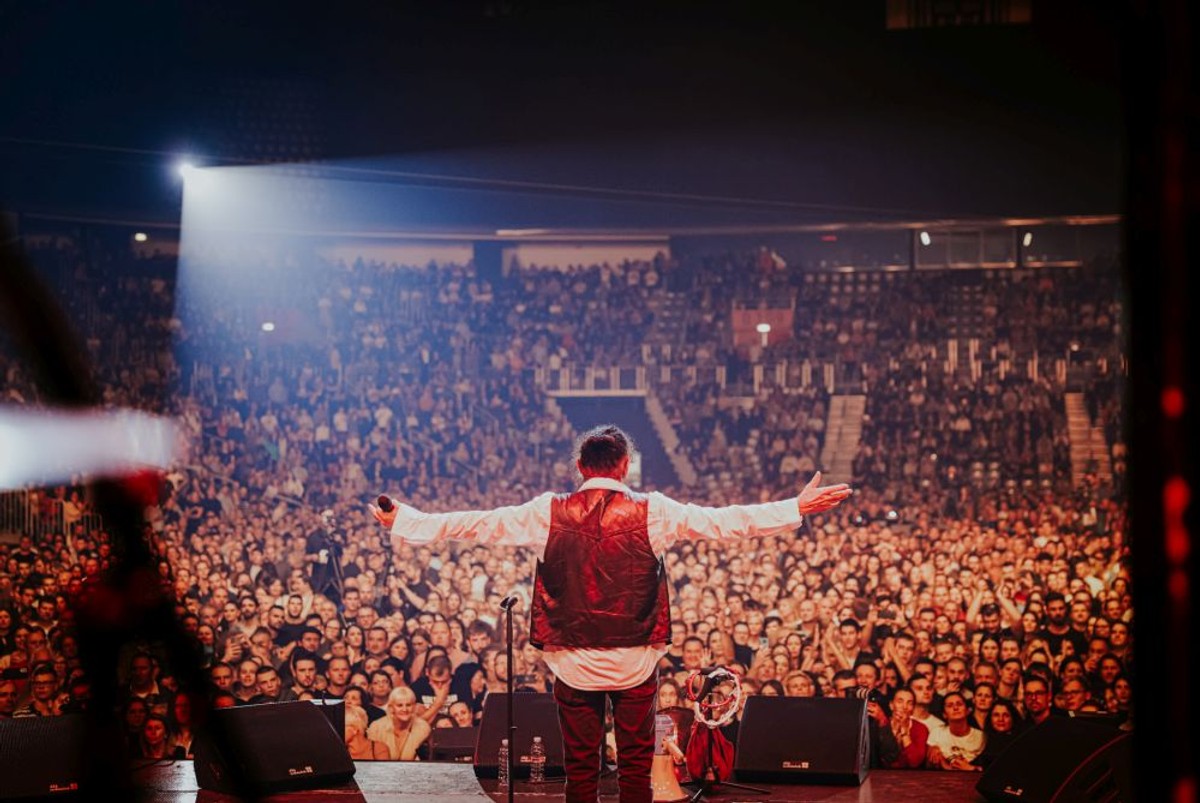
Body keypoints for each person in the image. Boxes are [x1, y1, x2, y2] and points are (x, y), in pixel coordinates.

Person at [374, 425, 852, 802]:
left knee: (580, 771)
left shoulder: (549, 511)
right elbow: (727, 522)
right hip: (635, 662)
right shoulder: (655, 512)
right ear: (625, 466)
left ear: (580, 467)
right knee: (635, 769)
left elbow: (474, 524)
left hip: (572, 662)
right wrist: (795, 506)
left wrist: (408, 520)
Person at [367, 686, 431, 761]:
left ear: (414, 707)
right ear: (391, 708)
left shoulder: (423, 727)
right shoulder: (376, 728)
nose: (405, 709)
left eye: (408, 705)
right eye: (399, 705)